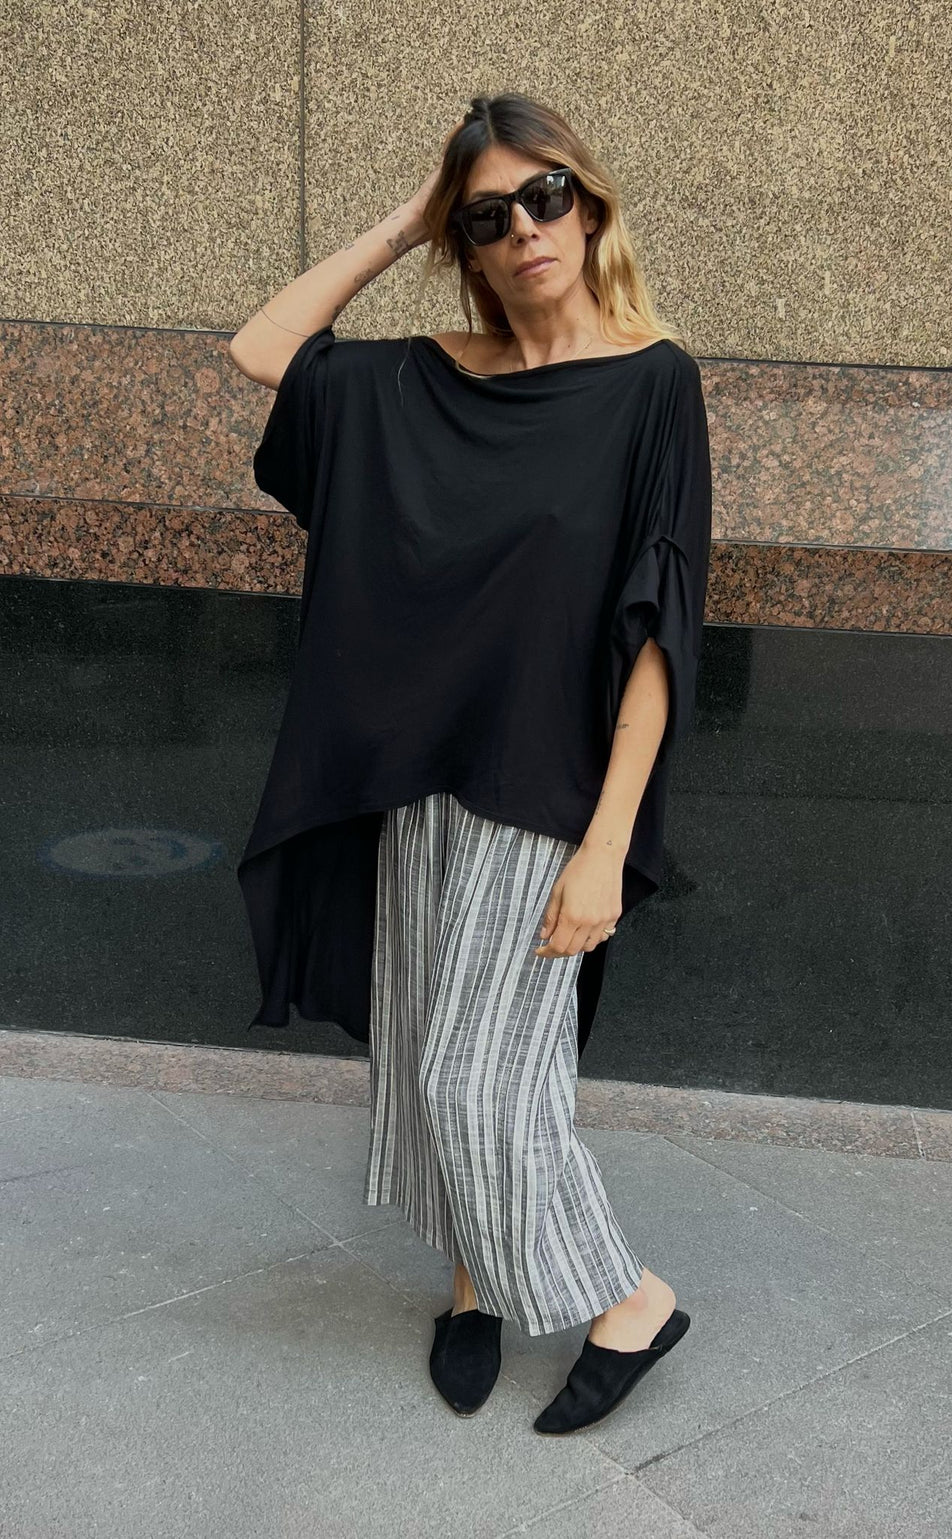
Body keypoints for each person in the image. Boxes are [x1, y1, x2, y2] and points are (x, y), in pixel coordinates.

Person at [229, 92, 712, 1435]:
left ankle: (630, 1298)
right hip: (414, 779)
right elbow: (262, 348)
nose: (523, 230)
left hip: (547, 790)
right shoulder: (424, 377)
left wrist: (608, 845)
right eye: (487, 216)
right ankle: (475, 1282)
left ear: (590, 203)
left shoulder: (653, 385)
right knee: (428, 1054)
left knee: (476, 1079)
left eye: (544, 196)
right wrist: (404, 224)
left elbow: (658, 636)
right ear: (466, 243)